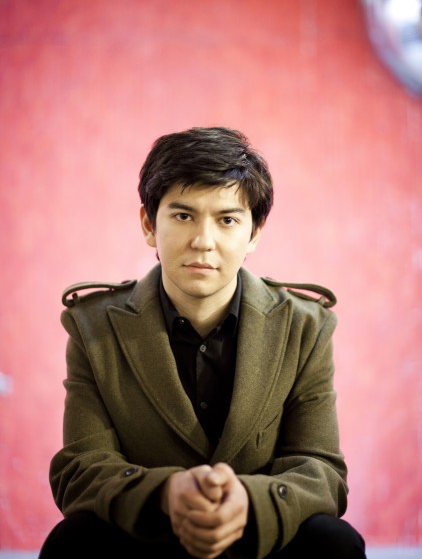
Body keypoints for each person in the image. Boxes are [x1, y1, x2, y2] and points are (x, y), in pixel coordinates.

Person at [39, 126, 366, 558]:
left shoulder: (305, 326)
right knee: (74, 540)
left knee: (335, 542)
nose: (203, 242)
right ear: (149, 224)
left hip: (259, 542)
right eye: (183, 216)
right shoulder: (93, 325)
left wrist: (249, 502)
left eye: (227, 220)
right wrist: (166, 493)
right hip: (147, 536)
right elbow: (80, 469)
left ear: (254, 233)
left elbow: (321, 470)